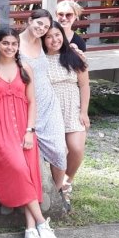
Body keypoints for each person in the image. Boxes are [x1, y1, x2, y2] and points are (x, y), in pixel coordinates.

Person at [0, 28, 61, 238]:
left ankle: (30, 230)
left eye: (13, 44)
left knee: (30, 174)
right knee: (18, 169)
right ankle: (43, 223)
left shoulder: (24, 68)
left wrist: (29, 131)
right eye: (5, 43)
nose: (9, 47)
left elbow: (32, 102)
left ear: (18, 46)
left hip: (24, 131)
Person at [18, 9, 70, 211]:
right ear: (29, 20)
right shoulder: (15, 43)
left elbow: (62, 44)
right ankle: (36, 199)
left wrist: (75, 48)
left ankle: (57, 195)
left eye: (46, 27)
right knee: (31, 156)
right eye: (38, 24)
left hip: (49, 102)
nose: (42, 29)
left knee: (59, 150)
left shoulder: (42, 41)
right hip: (26, 104)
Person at [42, 21, 90, 207]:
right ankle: (58, 191)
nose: (54, 40)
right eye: (48, 36)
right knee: (59, 152)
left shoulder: (74, 55)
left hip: (73, 108)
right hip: (51, 110)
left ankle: (67, 182)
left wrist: (84, 112)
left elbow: (84, 85)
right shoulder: (40, 59)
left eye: (57, 35)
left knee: (76, 149)